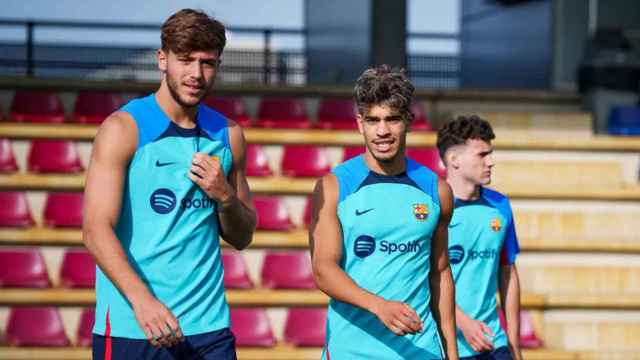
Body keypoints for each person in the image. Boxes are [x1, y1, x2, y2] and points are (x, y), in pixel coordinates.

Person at [83, 9, 256, 360]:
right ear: (162, 60)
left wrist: (225, 197)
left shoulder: (229, 135)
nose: (196, 74)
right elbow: (95, 230)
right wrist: (142, 301)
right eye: (185, 60)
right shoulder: (123, 129)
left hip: (209, 330)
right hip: (135, 326)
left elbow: (243, 236)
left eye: (207, 63)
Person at [309, 65, 459, 359]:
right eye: (372, 120)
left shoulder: (436, 190)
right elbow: (323, 270)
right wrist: (379, 306)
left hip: (420, 350)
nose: (382, 131)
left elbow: (440, 273)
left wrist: (452, 352)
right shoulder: (334, 186)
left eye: (392, 119)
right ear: (359, 124)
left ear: (409, 121)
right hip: (351, 351)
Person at [436, 116, 522, 360]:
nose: (491, 162)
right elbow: (422, 278)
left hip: (494, 343)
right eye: (482, 155)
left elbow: (508, 273)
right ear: (454, 160)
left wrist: (514, 343)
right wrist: (463, 322)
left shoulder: (500, 205)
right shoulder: (431, 208)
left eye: (490, 154)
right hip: (447, 345)